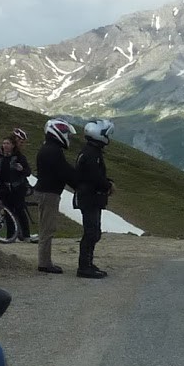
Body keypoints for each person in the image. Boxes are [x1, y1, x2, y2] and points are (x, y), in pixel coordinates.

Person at [35, 119, 78, 274]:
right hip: (49, 193)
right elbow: (65, 172)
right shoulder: (53, 151)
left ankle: (45, 261)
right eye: (66, 133)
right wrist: (80, 182)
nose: (68, 137)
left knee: (46, 227)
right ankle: (44, 263)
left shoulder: (48, 148)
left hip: (46, 192)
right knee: (47, 228)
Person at [74, 119, 115, 279]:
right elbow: (94, 177)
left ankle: (88, 263)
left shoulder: (90, 151)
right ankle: (84, 266)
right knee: (91, 232)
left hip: (90, 198)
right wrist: (108, 186)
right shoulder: (92, 154)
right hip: (89, 198)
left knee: (93, 232)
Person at [0, 136, 33, 242]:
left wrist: (21, 169)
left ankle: (26, 235)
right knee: (8, 213)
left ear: (13, 145)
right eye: (4, 143)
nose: (5, 145)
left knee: (20, 211)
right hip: (4, 189)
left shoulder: (19, 157)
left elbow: (28, 172)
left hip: (17, 188)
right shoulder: (0, 159)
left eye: (8, 143)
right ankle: (11, 236)